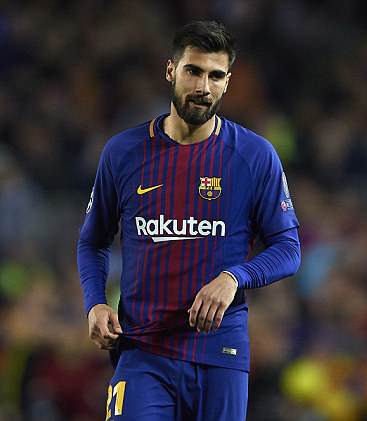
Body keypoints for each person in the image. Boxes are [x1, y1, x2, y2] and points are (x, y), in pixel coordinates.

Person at [77, 20, 301, 421]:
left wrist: (234, 278)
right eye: (193, 71)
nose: (203, 86)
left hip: (220, 353)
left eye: (216, 76)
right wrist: (95, 302)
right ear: (171, 70)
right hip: (143, 350)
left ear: (228, 82)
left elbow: (289, 249)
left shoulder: (254, 156)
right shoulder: (123, 153)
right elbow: (93, 241)